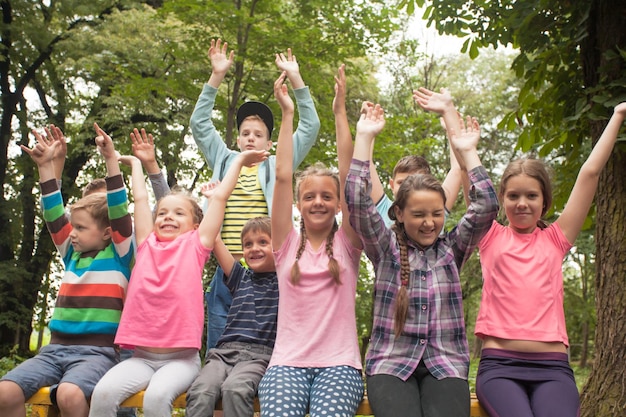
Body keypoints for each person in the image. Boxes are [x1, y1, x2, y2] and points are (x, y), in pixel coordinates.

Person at [87, 129, 269, 417]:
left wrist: (241, 160)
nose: (168, 217)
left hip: (180, 361)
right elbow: (140, 199)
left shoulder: (196, 245)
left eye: (178, 213)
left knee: (156, 398)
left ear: (195, 224)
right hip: (141, 358)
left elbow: (220, 197)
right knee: (103, 394)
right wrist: (129, 164)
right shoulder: (145, 243)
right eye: (163, 213)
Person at [345, 104, 499, 417]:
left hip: (445, 363)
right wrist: (363, 138)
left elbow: (487, 206)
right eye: (418, 215)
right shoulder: (385, 247)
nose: (429, 223)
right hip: (391, 362)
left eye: (436, 214)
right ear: (399, 214)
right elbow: (357, 203)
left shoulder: (452, 249)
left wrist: (468, 153)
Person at [473, 102, 626, 417]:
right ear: (501, 199)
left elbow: (590, 172)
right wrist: (451, 120)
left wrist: (619, 115)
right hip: (500, 367)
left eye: (531, 196)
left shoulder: (556, 239)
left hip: (553, 369)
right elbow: (471, 179)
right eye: (513, 195)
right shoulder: (489, 235)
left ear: (544, 201)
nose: (522, 203)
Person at [189, 39, 320, 350]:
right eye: (245, 133)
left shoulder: (277, 165)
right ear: (237, 138)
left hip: (267, 274)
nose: (251, 138)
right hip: (227, 268)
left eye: (258, 134)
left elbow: (310, 126)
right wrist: (216, 76)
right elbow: (199, 124)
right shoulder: (224, 160)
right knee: (220, 346)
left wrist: (296, 79)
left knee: (265, 350)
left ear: (270, 143)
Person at [0, 124, 134, 417]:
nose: (72, 233)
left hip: (98, 353)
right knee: (5, 392)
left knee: (70, 395)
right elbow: (52, 214)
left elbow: (119, 209)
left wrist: (111, 160)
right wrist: (46, 167)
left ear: (108, 233)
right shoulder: (72, 254)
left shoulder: (120, 256)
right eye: (73, 227)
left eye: (81, 228)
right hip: (54, 351)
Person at [257, 71, 364, 416]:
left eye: (326, 196)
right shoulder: (285, 242)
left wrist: (339, 111)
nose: (318, 202)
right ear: (299, 204)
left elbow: (350, 175)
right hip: (287, 363)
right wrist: (287, 114)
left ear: (337, 204)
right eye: (310, 197)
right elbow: (284, 175)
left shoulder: (348, 243)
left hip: (340, 365)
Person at [333, 67, 466, 228]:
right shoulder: (383, 208)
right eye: (403, 182)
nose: (410, 187)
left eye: (417, 180)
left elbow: (458, 169)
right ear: (392, 184)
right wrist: (369, 130)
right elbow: (365, 167)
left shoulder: (435, 211)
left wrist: (451, 121)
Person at [185, 215, 278, 417]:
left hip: (259, 357)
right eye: (248, 244)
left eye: (263, 242)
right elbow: (215, 239)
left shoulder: (284, 282)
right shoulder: (240, 277)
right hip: (223, 354)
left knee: (235, 389)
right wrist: (214, 202)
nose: (254, 248)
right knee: (201, 390)